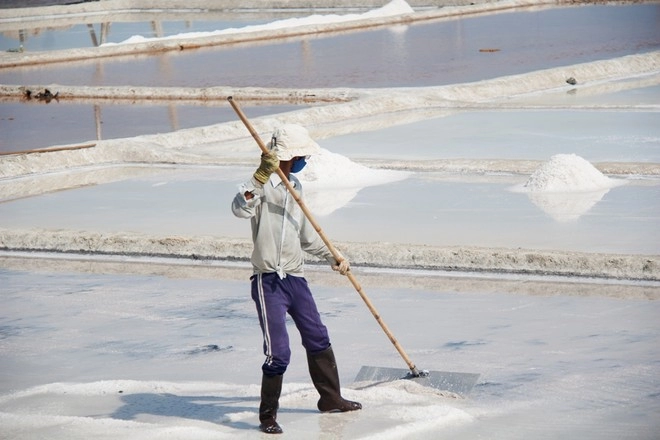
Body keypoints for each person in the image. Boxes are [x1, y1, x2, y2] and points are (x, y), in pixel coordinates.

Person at [231, 124, 362, 434]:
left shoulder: (297, 188)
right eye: (302, 155)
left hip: (295, 278)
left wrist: (334, 256)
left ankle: (330, 398)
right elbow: (240, 207)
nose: (305, 160)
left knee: (317, 336)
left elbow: (305, 237)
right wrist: (260, 176)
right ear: (290, 155)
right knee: (279, 352)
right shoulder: (261, 185)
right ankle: (268, 417)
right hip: (268, 282)